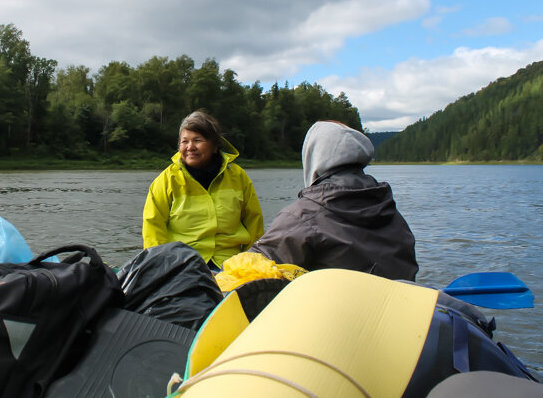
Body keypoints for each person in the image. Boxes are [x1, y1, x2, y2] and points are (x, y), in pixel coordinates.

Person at [249, 120, 418, 280]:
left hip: (338, 303)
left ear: (313, 158)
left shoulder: (302, 216)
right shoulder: (392, 213)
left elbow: (251, 272)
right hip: (396, 300)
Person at [142, 110, 264, 269]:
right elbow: (153, 229)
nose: (190, 147)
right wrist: (162, 268)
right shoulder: (166, 180)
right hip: (182, 265)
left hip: (230, 264)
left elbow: (254, 224)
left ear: (215, 146)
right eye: (184, 141)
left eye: (197, 140)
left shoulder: (238, 176)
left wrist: (252, 262)